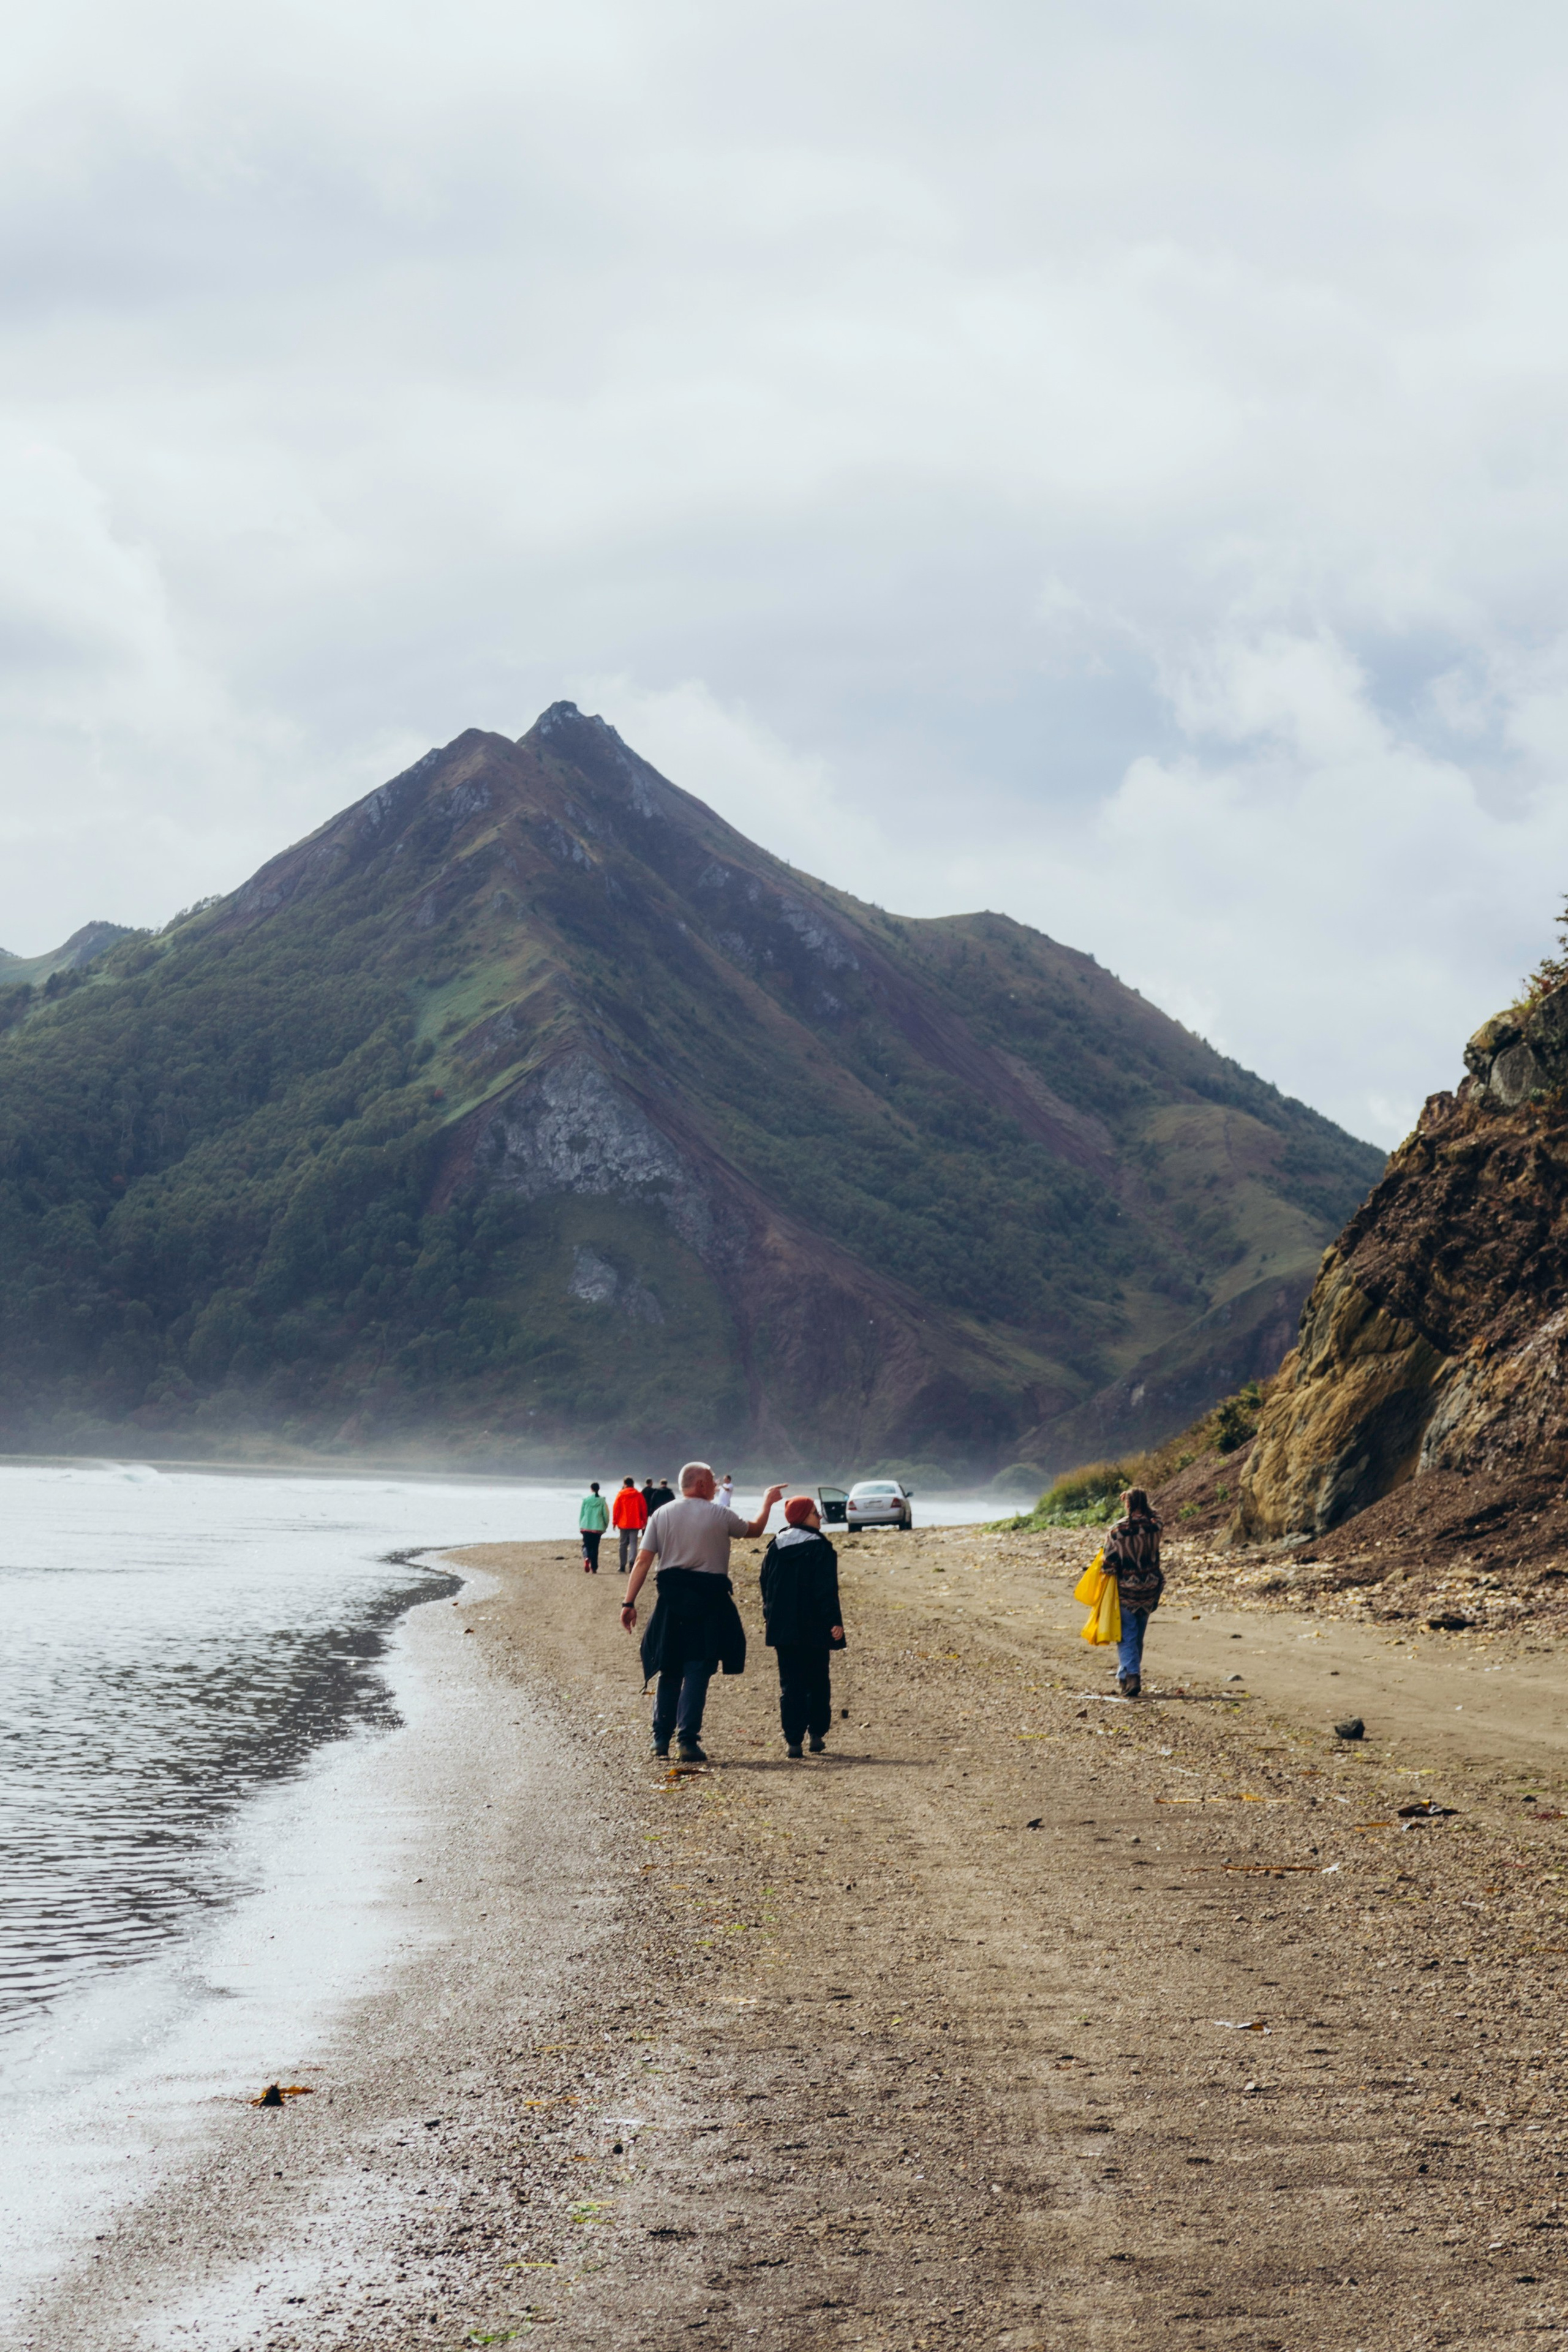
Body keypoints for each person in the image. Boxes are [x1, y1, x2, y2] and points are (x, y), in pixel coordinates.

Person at [621, 1461, 783, 1763]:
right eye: (711, 1480)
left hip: (671, 1598)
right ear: (700, 1485)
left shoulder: (662, 1514)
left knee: (670, 1668)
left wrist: (628, 1603)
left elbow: (643, 1561)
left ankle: (660, 1738)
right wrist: (767, 1502)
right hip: (710, 1601)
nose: (716, 1485)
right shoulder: (720, 1515)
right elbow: (756, 1530)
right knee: (697, 1669)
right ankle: (687, 1740)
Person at [759, 1494, 845, 1758]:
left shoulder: (776, 1546)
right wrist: (834, 1622)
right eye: (815, 1513)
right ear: (804, 1516)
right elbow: (826, 1590)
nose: (820, 1517)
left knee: (791, 1683)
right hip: (816, 1625)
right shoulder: (821, 1548)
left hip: (783, 1627)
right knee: (818, 1680)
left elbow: (766, 1586)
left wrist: (769, 1615)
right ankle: (816, 1734)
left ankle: (793, 1741)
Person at [1103, 1485, 1164, 1697]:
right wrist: (1142, 1504)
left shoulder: (1117, 1531)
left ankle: (1133, 1676)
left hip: (1127, 1590)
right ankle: (1124, 1677)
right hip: (1150, 1588)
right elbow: (1157, 1516)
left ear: (1126, 1504)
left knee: (1127, 1635)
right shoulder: (1155, 1526)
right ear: (1146, 1504)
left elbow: (1108, 1566)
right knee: (1137, 1636)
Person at [612, 1474, 649, 1574]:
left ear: (624, 1484)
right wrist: (644, 1521)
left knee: (623, 1544)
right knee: (633, 1543)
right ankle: (632, 1563)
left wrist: (615, 1522)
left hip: (623, 1523)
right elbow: (644, 1509)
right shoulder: (638, 1495)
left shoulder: (621, 1494)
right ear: (633, 1484)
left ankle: (622, 1565)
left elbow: (616, 1509)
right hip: (635, 1522)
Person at [578, 1480, 609, 1574]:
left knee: (586, 1545)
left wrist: (581, 1526)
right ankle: (594, 1568)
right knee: (595, 1548)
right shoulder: (602, 1501)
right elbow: (606, 1515)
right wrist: (605, 1526)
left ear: (591, 1489)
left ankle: (587, 1557)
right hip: (598, 1528)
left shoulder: (586, 1500)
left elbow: (582, 1514)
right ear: (598, 1489)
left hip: (586, 1526)